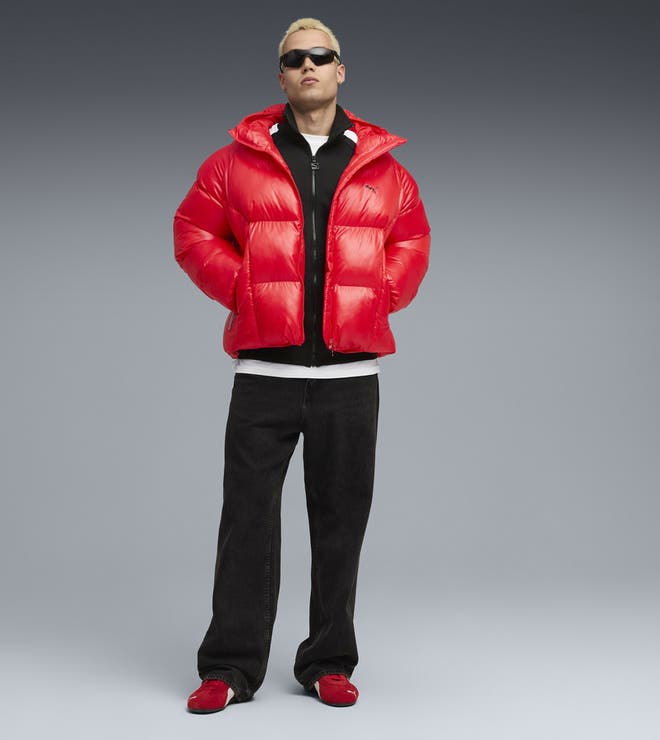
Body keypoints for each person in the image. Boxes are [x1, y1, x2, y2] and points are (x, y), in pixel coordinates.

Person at [173, 17, 431, 713]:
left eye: (322, 55)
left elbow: (412, 240)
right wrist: (243, 288)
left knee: (341, 522)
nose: (308, 65)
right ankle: (230, 666)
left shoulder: (383, 169)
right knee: (247, 523)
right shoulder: (233, 163)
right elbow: (192, 231)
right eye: (295, 58)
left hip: (350, 378)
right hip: (265, 374)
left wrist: (378, 294)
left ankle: (328, 661)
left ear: (341, 69)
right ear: (281, 75)